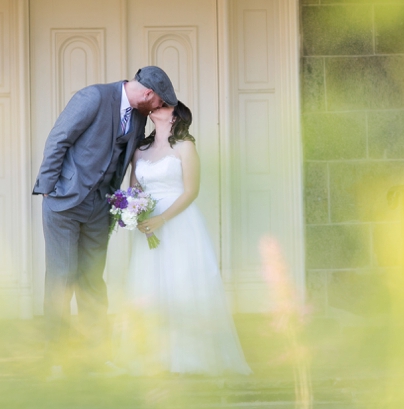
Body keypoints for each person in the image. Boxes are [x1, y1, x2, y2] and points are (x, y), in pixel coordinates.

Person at [32, 66, 177, 377]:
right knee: (61, 278)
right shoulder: (93, 97)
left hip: (100, 209)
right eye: (160, 103)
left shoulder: (138, 116)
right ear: (148, 94)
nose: (159, 109)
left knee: (93, 282)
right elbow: (58, 139)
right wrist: (48, 190)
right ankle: (52, 358)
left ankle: (95, 356)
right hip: (64, 205)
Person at [122, 100, 251, 376]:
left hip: (179, 224)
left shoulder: (185, 147)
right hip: (148, 227)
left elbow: (191, 191)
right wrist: (134, 213)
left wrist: (162, 218)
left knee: (182, 284)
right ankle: (152, 356)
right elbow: (134, 189)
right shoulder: (140, 150)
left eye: (163, 105)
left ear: (175, 115)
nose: (155, 107)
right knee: (150, 287)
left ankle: (191, 356)